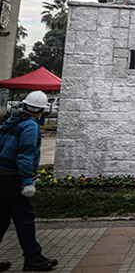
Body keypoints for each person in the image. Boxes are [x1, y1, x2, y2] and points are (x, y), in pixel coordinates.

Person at [0, 91, 58, 271]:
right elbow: (24, 157)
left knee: (1, 220)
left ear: (24, 106)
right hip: (13, 179)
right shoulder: (30, 127)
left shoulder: (9, 124)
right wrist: (27, 182)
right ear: (42, 111)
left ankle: (33, 256)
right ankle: (33, 258)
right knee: (25, 219)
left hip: (1, 179)